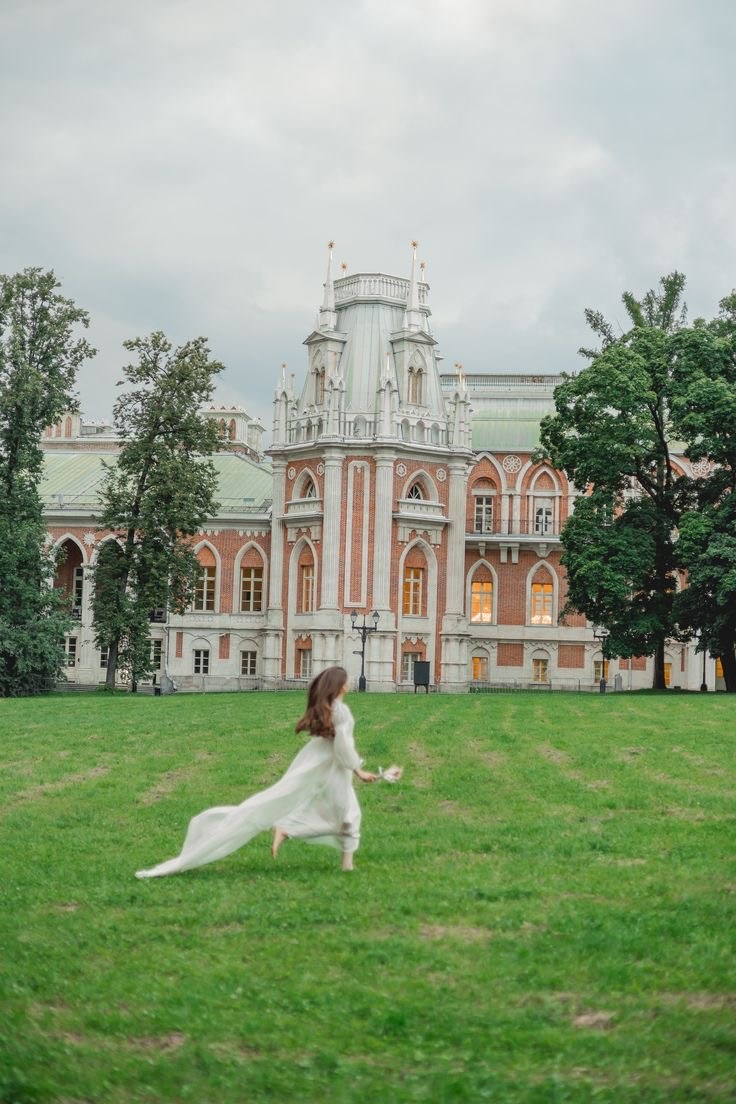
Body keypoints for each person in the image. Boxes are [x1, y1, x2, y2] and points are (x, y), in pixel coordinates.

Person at [135, 666, 377, 879]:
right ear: (340, 685)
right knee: (347, 815)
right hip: (331, 766)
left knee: (343, 813)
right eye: (346, 680)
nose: (349, 683)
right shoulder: (340, 710)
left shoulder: (330, 708)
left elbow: (339, 744)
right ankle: (326, 852)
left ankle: (302, 837)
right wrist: (359, 770)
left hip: (320, 761)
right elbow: (343, 746)